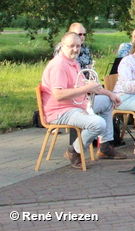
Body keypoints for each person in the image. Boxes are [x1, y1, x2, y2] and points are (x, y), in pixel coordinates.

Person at [41, 32, 126, 168]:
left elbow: (84, 85)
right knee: (98, 123)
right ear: (62, 46)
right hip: (61, 111)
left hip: (77, 104)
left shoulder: (72, 62)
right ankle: (73, 151)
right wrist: (86, 89)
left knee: (107, 101)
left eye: (78, 46)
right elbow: (58, 95)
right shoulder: (59, 65)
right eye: (71, 46)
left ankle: (105, 146)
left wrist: (110, 93)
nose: (75, 49)